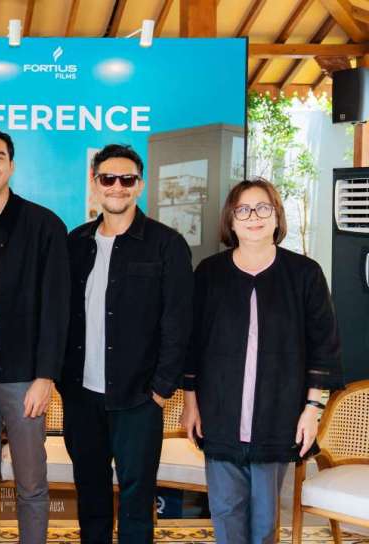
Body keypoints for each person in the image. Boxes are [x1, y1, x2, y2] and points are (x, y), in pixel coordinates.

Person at [181, 178, 343, 544]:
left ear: (277, 216)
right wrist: (191, 404)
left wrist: (312, 410)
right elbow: (192, 344)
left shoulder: (305, 274)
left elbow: (325, 347)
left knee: (265, 521)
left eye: (263, 208)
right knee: (226, 513)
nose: (253, 216)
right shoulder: (209, 273)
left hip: (277, 414)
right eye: (243, 210)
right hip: (219, 415)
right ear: (231, 220)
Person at [60, 144, 193, 544]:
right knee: (91, 495)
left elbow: (178, 321)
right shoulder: (75, 242)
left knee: (137, 499)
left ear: (140, 185)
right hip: (82, 396)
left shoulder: (166, 244)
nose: (117, 186)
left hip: (139, 398)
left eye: (127, 179)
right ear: (95, 183)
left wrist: (161, 389)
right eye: (108, 178)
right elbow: (61, 314)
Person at [0, 126, 70, 544]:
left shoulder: (43, 224)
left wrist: (46, 376)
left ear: (12, 165)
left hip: (23, 375)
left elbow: (58, 307)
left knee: (31, 482)